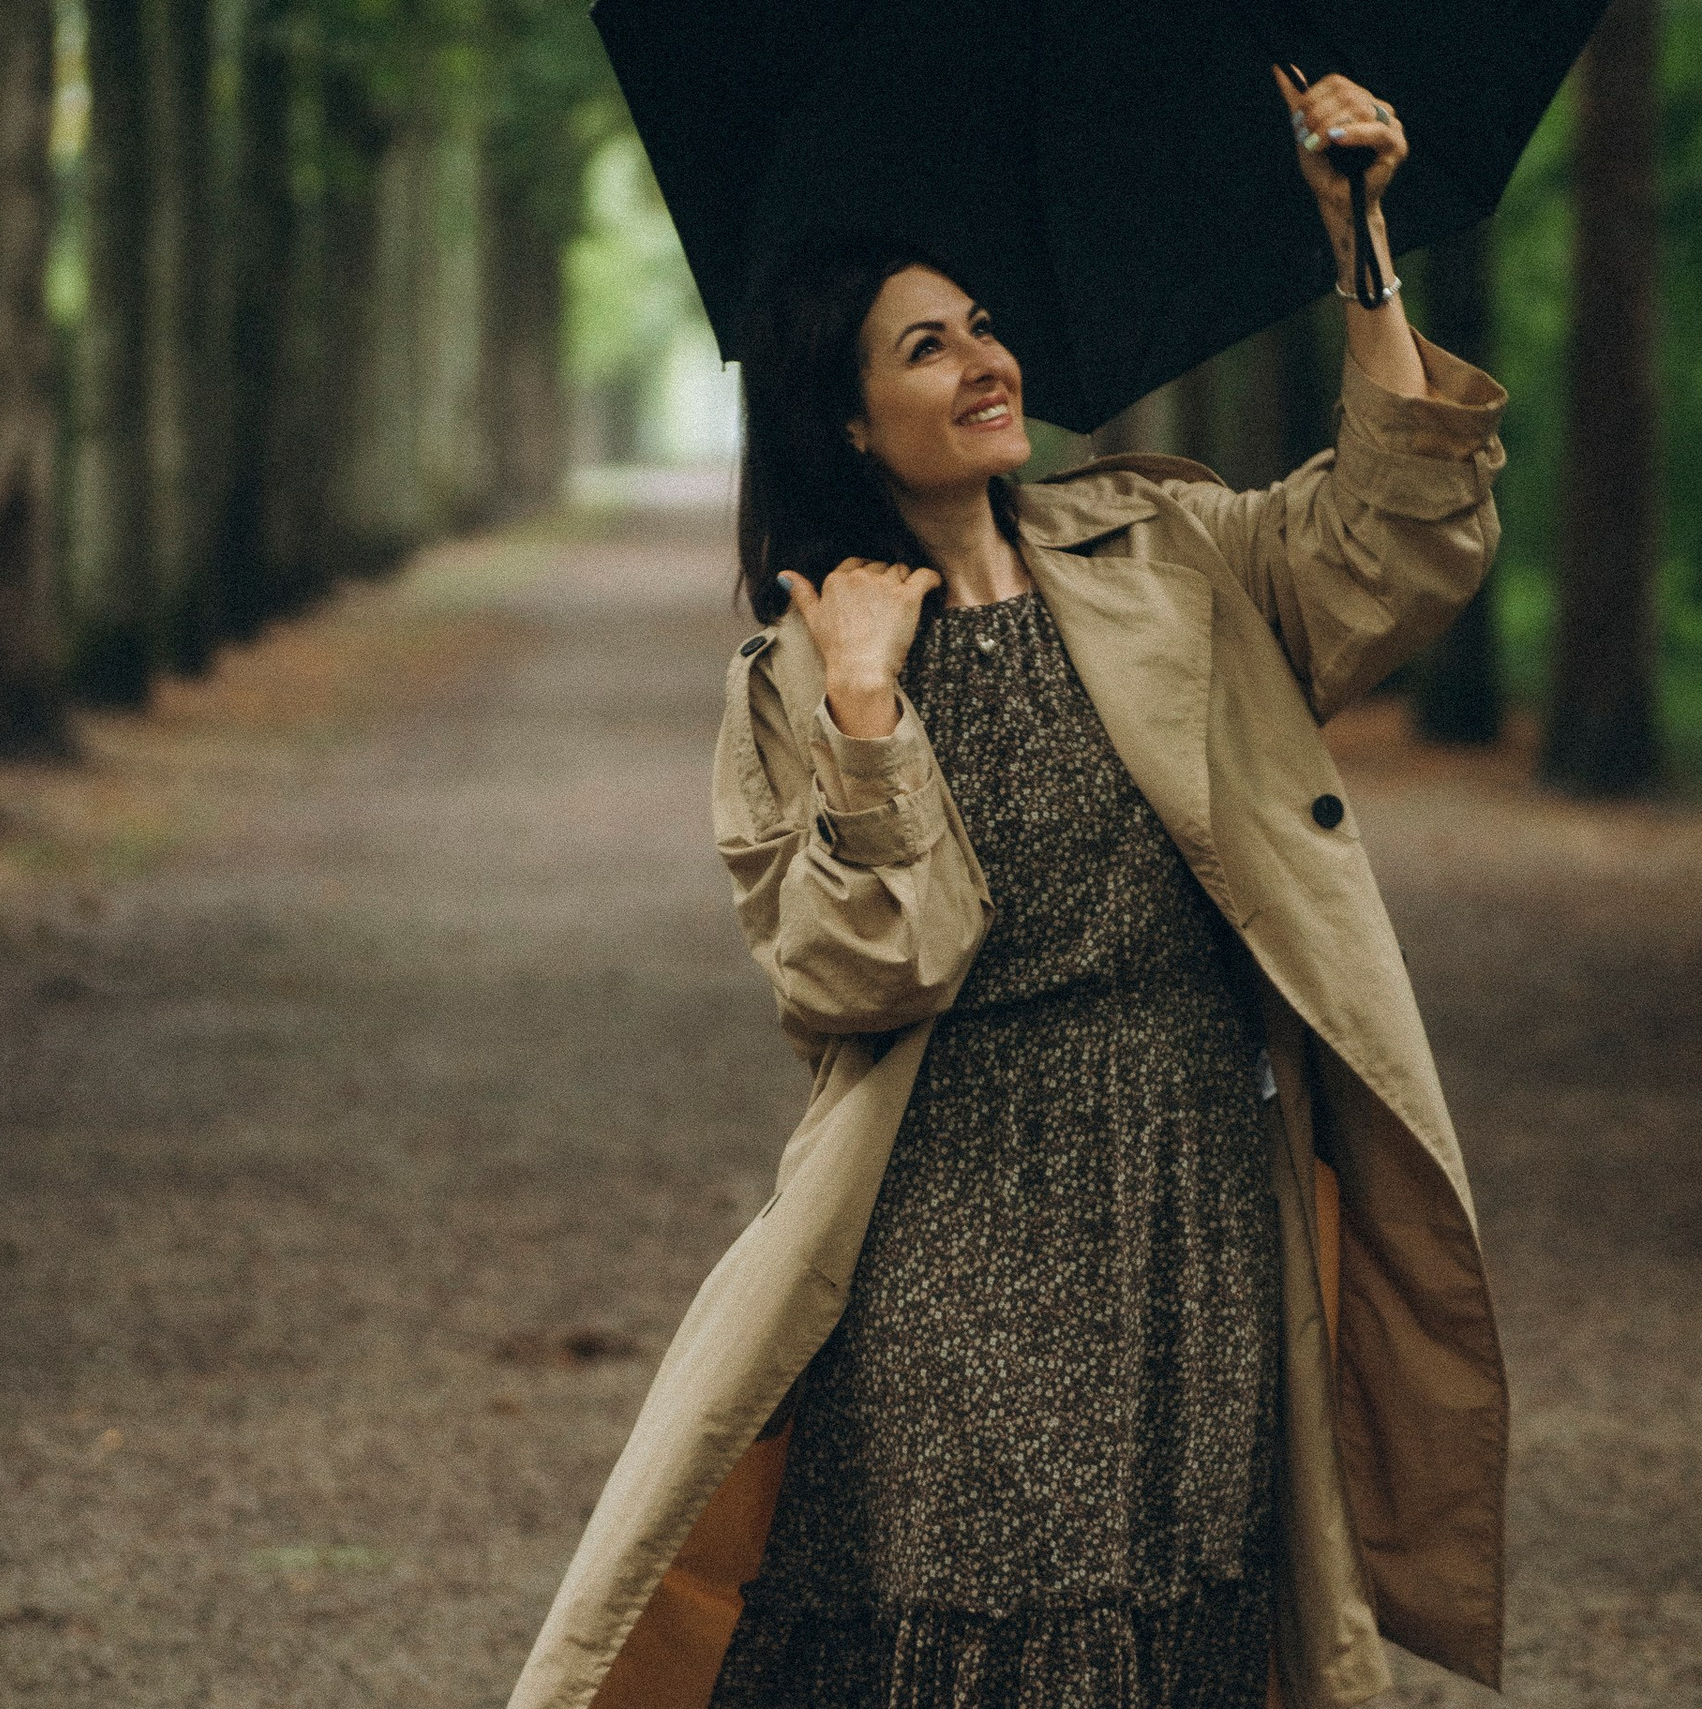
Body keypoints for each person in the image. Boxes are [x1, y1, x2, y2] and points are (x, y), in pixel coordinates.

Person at [504, 71, 1512, 1709]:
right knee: (972, 1622)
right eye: (926, 348)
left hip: (1192, 1196)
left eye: (982, 326)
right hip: (948, 1217)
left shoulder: (1170, 552)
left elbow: (1402, 540)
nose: (983, 364)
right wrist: (864, 718)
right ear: (845, 419)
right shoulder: (796, 676)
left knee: (1174, 1611)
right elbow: (853, 976)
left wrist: (1363, 250)